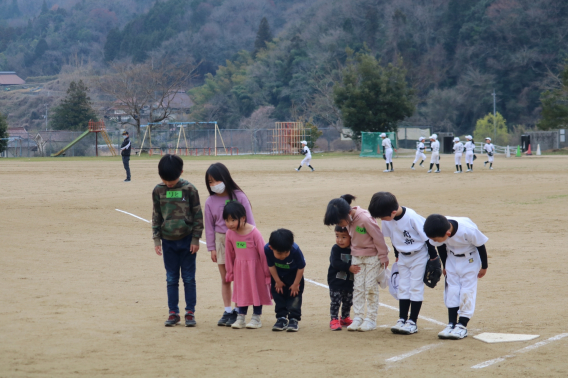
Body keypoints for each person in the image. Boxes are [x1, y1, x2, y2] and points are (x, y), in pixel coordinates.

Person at [368, 192, 439, 335]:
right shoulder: (388, 219)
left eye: (383, 217)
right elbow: (394, 238)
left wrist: (433, 258)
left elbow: (427, 238)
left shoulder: (412, 217)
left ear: (393, 212)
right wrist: (397, 256)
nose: (382, 219)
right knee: (403, 286)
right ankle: (402, 319)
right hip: (403, 256)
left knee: (415, 287)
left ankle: (412, 322)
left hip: (419, 255)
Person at [323, 194, 389, 332]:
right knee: (358, 287)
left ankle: (371, 319)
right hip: (357, 256)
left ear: (346, 214)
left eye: (340, 222)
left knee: (370, 287)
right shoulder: (348, 220)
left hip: (372, 257)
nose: (340, 226)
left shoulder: (364, 218)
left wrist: (383, 257)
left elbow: (378, 237)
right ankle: (358, 317)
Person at [152, 154, 203, 327]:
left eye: (172, 180)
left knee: (189, 278)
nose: (169, 184)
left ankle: (190, 312)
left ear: (181, 172)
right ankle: (173, 312)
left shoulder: (189, 189)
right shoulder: (158, 190)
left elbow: (198, 215)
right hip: (168, 242)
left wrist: (196, 239)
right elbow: (156, 215)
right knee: (171, 278)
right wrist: (156, 239)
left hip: (188, 241)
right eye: (165, 180)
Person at [204, 163, 255, 327]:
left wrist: (251, 242)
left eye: (217, 180)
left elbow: (250, 221)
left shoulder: (239, 196)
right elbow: (209, 226)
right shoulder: (210, 201)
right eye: (210, 182)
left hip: (240, 240)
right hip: (220, 241)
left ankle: (239, 311)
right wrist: (211, 248)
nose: (214, 185)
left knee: (240, 278)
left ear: (225, 178)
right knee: (226, 278)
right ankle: (227, 311)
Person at [423, 214, 489, 340]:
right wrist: (445, 266)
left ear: (448, 233)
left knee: (466, 291)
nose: (434, 241)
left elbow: (481, 246)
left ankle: (462, 325)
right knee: (452, 290)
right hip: (451, 259)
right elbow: (441, 247)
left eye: (436, 239)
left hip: (469, 260)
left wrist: (484, 266)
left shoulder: (467, 230)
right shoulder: (437, 227)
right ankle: (451, 324)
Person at [224, 201, 272, 329]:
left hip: (256, 269)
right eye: (227, 220)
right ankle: (241, 318)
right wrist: (230, 272)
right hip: (240, 269)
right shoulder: (229, 234)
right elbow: (229, 254)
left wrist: (267, 273)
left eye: (233, 220)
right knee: (242, 292)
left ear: (243, 218)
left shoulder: (254, 232)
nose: (230, 224)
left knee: (257, 291)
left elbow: (263, 253)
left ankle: (256, 318)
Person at [264, 229, 306, 332]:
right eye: (279, 253)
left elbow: (301, 268)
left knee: (294, 297)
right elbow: (271, 265)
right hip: (278, 276)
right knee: (278, 296)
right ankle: (281, 318)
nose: (283, 256)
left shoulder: (295, 250)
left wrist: (296, 284)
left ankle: (293, 319)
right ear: (271, 248)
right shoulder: (267, 249)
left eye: (286, 253)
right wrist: (277, 281)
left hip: (294, 276)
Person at [327, 226, 358, 331]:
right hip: (336, 282)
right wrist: (349, 267)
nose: (339, 240)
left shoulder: (355, 249)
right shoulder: (335, 249)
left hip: (349, 282)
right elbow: (335, 263)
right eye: (337, 236)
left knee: (348, 301)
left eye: (344, 237)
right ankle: (334, 319)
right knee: (336, 301)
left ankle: (345, 318)